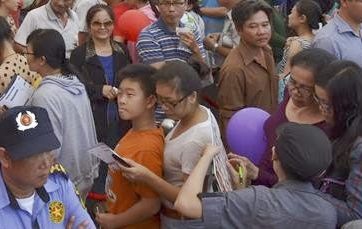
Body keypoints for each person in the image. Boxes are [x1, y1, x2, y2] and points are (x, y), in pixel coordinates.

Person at [117, 61, 232, 225]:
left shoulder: (195, 139)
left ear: (192, 97)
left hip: (182, 221)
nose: (163, 107)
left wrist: (147, 176)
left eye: (170, 102)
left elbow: (187, 199)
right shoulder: (197, 112)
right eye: (160, 100)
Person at [0, 105, 95, 228]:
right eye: (33, 154)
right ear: (5, 157)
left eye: (48, 150)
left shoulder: (59, 184)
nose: (46, 163)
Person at [173, 124, 337, 228]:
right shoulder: (328, 213)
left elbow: (186, 204)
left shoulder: (259, 199)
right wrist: (241, 190)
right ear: (321, 172)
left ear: (274, 155)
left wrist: (206, 156)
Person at [238, 48, 335, 187]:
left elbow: (306, 190)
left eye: (305, 88)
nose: (295, 91)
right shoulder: (288, 94)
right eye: (292, 81)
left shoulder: (326, 127)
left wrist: (259, 174)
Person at [26, 29, 99, 199]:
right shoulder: (74, 82)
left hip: (62, 182)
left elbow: (51, 148)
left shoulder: (44, 95)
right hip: (84, 173)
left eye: (28, 52)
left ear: (42, 60)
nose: (25, 56)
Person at [314, 60, 362, 225]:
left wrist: (306, 195)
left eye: (326, 104)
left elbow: (360, 216)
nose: (320, 109)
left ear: (347, 106)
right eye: (318, 100)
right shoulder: (345, 126)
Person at [96, 64, 164, 229]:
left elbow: (152, 203)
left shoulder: (146, 147)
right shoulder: (135, 129)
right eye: (120, 93)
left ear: (150, 101)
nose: (122, 100)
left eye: (130, 95)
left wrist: (115, 222)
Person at [70, 5, 130, 146]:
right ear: (89, 26)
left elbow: (131, 80)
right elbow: (73, 88)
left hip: (122, 119)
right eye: (97, 23)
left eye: (107, 23)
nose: (102, 27)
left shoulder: (122, 51)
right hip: (92, 120)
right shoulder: (79, 55)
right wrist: (98, 90)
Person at [217, 0, 278, 133]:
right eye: (253, 26)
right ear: (239, 30)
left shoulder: (267, 50)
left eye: (265, 24)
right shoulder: (234, 69)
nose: (261, 31)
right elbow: (230, 119)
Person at [137, 0, 208, 72]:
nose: (171, 9)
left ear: (186, 5)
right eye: (166, 3)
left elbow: (203, 70)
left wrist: (195, 50)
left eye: (177, 3)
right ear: (158, 5)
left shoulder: (192, 30)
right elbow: (161, 77)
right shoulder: (148, 36)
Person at [15, 0, 80, 55]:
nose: (60, 3)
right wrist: (38, 57)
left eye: (66, 0)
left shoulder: (74, 17)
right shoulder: (34, 16)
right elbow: (18, 45)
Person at [204, 0, 245, 71]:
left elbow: (239, 54)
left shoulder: (241, 17)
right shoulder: (233, 13)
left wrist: (214, 46)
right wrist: (221, 36)